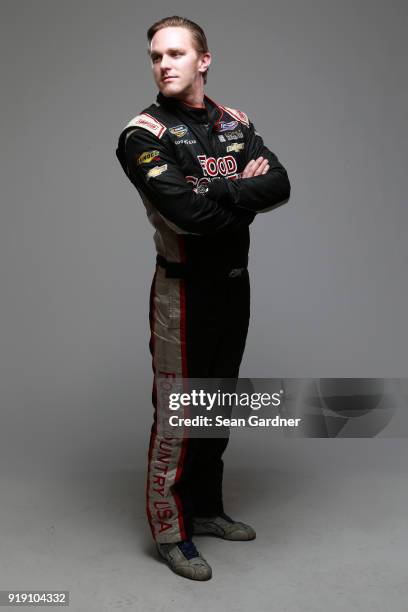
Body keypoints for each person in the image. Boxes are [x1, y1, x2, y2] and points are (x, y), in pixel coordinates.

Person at [116, 15, 291, 581]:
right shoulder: (142, 134)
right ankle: (172, 531)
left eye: (174, 54)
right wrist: (244, 192)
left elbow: (280, 184)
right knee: (178, 413)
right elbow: (186, 217)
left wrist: (213, 186)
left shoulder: (235, 122)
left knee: (219, 403)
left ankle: (208, 509)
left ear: (203, 60)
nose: (163, 64)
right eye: (154, 56)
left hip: (234, 285)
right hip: (182, 293)